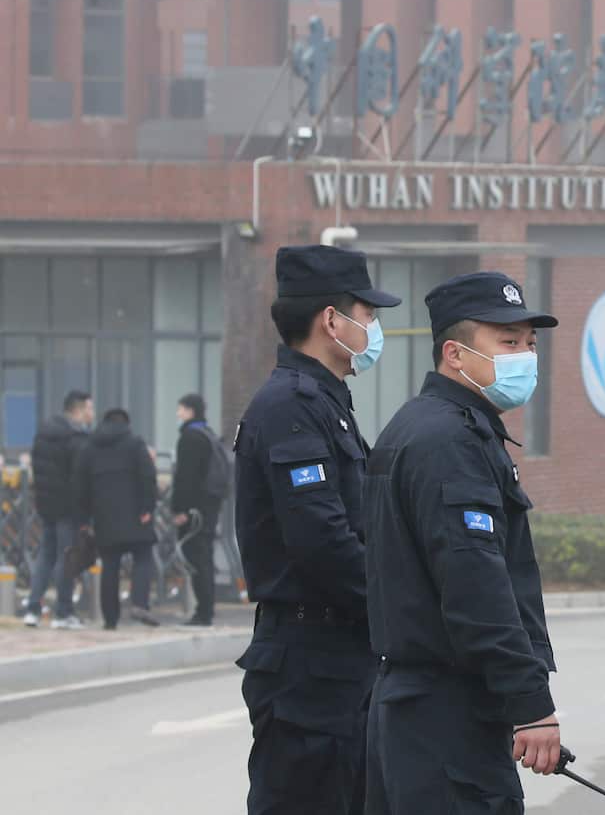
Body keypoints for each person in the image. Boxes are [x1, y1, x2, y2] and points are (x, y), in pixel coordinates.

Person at [364, 272, 561, 815]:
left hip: (417, 713)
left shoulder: (424, 426)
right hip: (445, 717)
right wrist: (531, 705)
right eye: (508, 342)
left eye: (528, 343)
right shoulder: (449, 441)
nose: (525, 356)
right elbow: (476, 586)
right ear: (455, 353)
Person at [233, 245, 400, 815]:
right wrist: (400, 611)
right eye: (368, 314)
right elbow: (323, 544)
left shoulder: (328, 403)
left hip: (341, 658)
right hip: (310, 668)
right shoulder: (290, 406)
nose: (375, 328)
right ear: (332, 320)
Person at [73, 408, 160, 630]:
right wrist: (147, 507)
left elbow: (80, 486)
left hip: (104, 518)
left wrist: (84, 518)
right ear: (126, 424)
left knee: (110, 566)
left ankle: (110, 620)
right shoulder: (135, 443)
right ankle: (139, 602)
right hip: (136, 515)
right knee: (142, 556)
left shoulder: (90, 448)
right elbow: (148, 476)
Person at [24, 390, 94, 629]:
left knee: (46, 555)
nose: (92, 413)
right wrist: (85, 512)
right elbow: (80, 478)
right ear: (79, 410)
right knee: (67, 557)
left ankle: (32, 608)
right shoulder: (76, 437)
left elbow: (37, 469)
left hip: (46, 505)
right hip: (69, 508)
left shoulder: (43, 433)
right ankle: (63, 612)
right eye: (89, 408)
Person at [172, 392, 224, 626]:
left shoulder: (190, 438)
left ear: (190, 411)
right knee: (205, 556)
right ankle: (207, 610)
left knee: (196, 558)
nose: (178, 414)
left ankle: (202, 612)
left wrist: (180, 509)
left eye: (181, 409)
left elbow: (185, 478)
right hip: (210, 506)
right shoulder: (208, 435)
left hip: (195, 509)